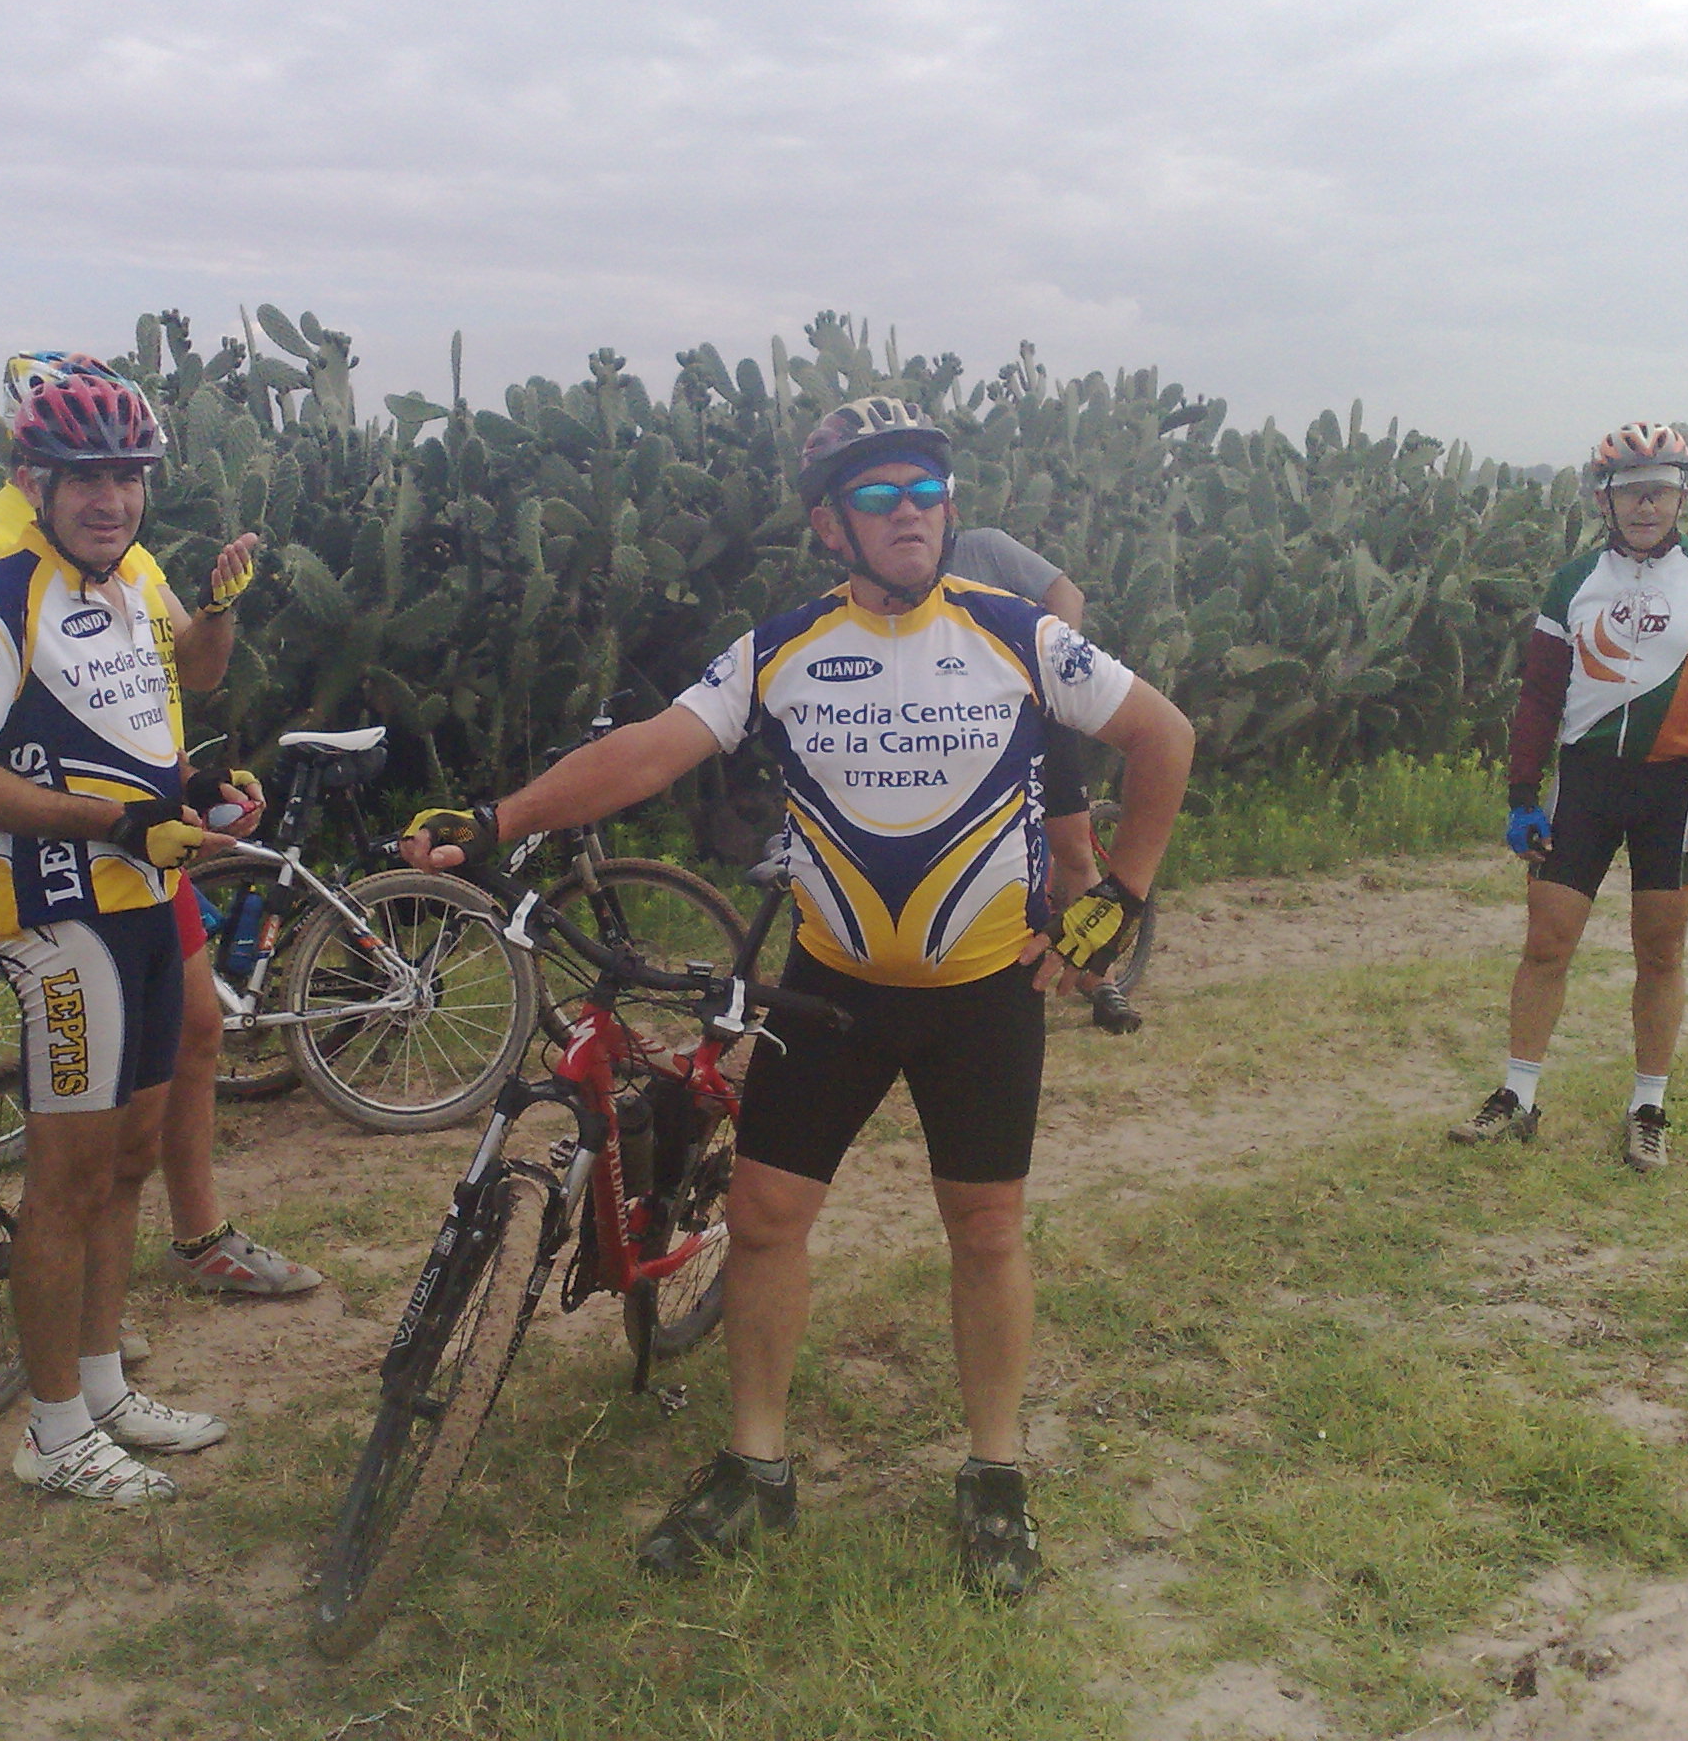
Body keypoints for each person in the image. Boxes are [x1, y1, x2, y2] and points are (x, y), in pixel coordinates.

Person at [402, 397, 1194, 1597]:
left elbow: (1165, 736)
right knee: (767, 1217)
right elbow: (652, 751)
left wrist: (1117, 901)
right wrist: (498, 819)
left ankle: (995, 1479)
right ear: (831, 524)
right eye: (879, 495)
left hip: (984, 993)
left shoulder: (1017, 632)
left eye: (926, 488)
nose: (910, 511)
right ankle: (755, 1468)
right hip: (831, 991)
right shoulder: (782, 647)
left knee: (984, 1232)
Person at [0, 355, 270, 1503]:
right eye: (84, 478)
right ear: (34, 479)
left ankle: (104, 1384)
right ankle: (52, 1430)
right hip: (60, 910)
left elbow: (193, 681)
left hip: (148, 902)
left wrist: (195, 794)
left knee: (128, 1158)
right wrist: (111, 821)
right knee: (67, 1177)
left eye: (126, 476)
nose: (109, 497)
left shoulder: (127, 582)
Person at [1449, 423, 1688, 1172]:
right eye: (1631, 492)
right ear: (1606, 499)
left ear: (1682, 493)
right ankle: (1518, 1096)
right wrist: (1522, 793)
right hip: (1585, 783)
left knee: (1660, 949)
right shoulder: (1574, 580)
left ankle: (1647, 1106)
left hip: (1677, 786)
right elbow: (1538, 695)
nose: (1646, 506)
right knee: (1546, 941)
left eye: (1659, 489)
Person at [943, 528, 1142, 1034]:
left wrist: (1054, 675)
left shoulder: (982, 548)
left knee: (1073, 848)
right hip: (959, 737)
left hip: (1034, 716)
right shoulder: (881, 572)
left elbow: (1065, 594)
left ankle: (1103, 980)